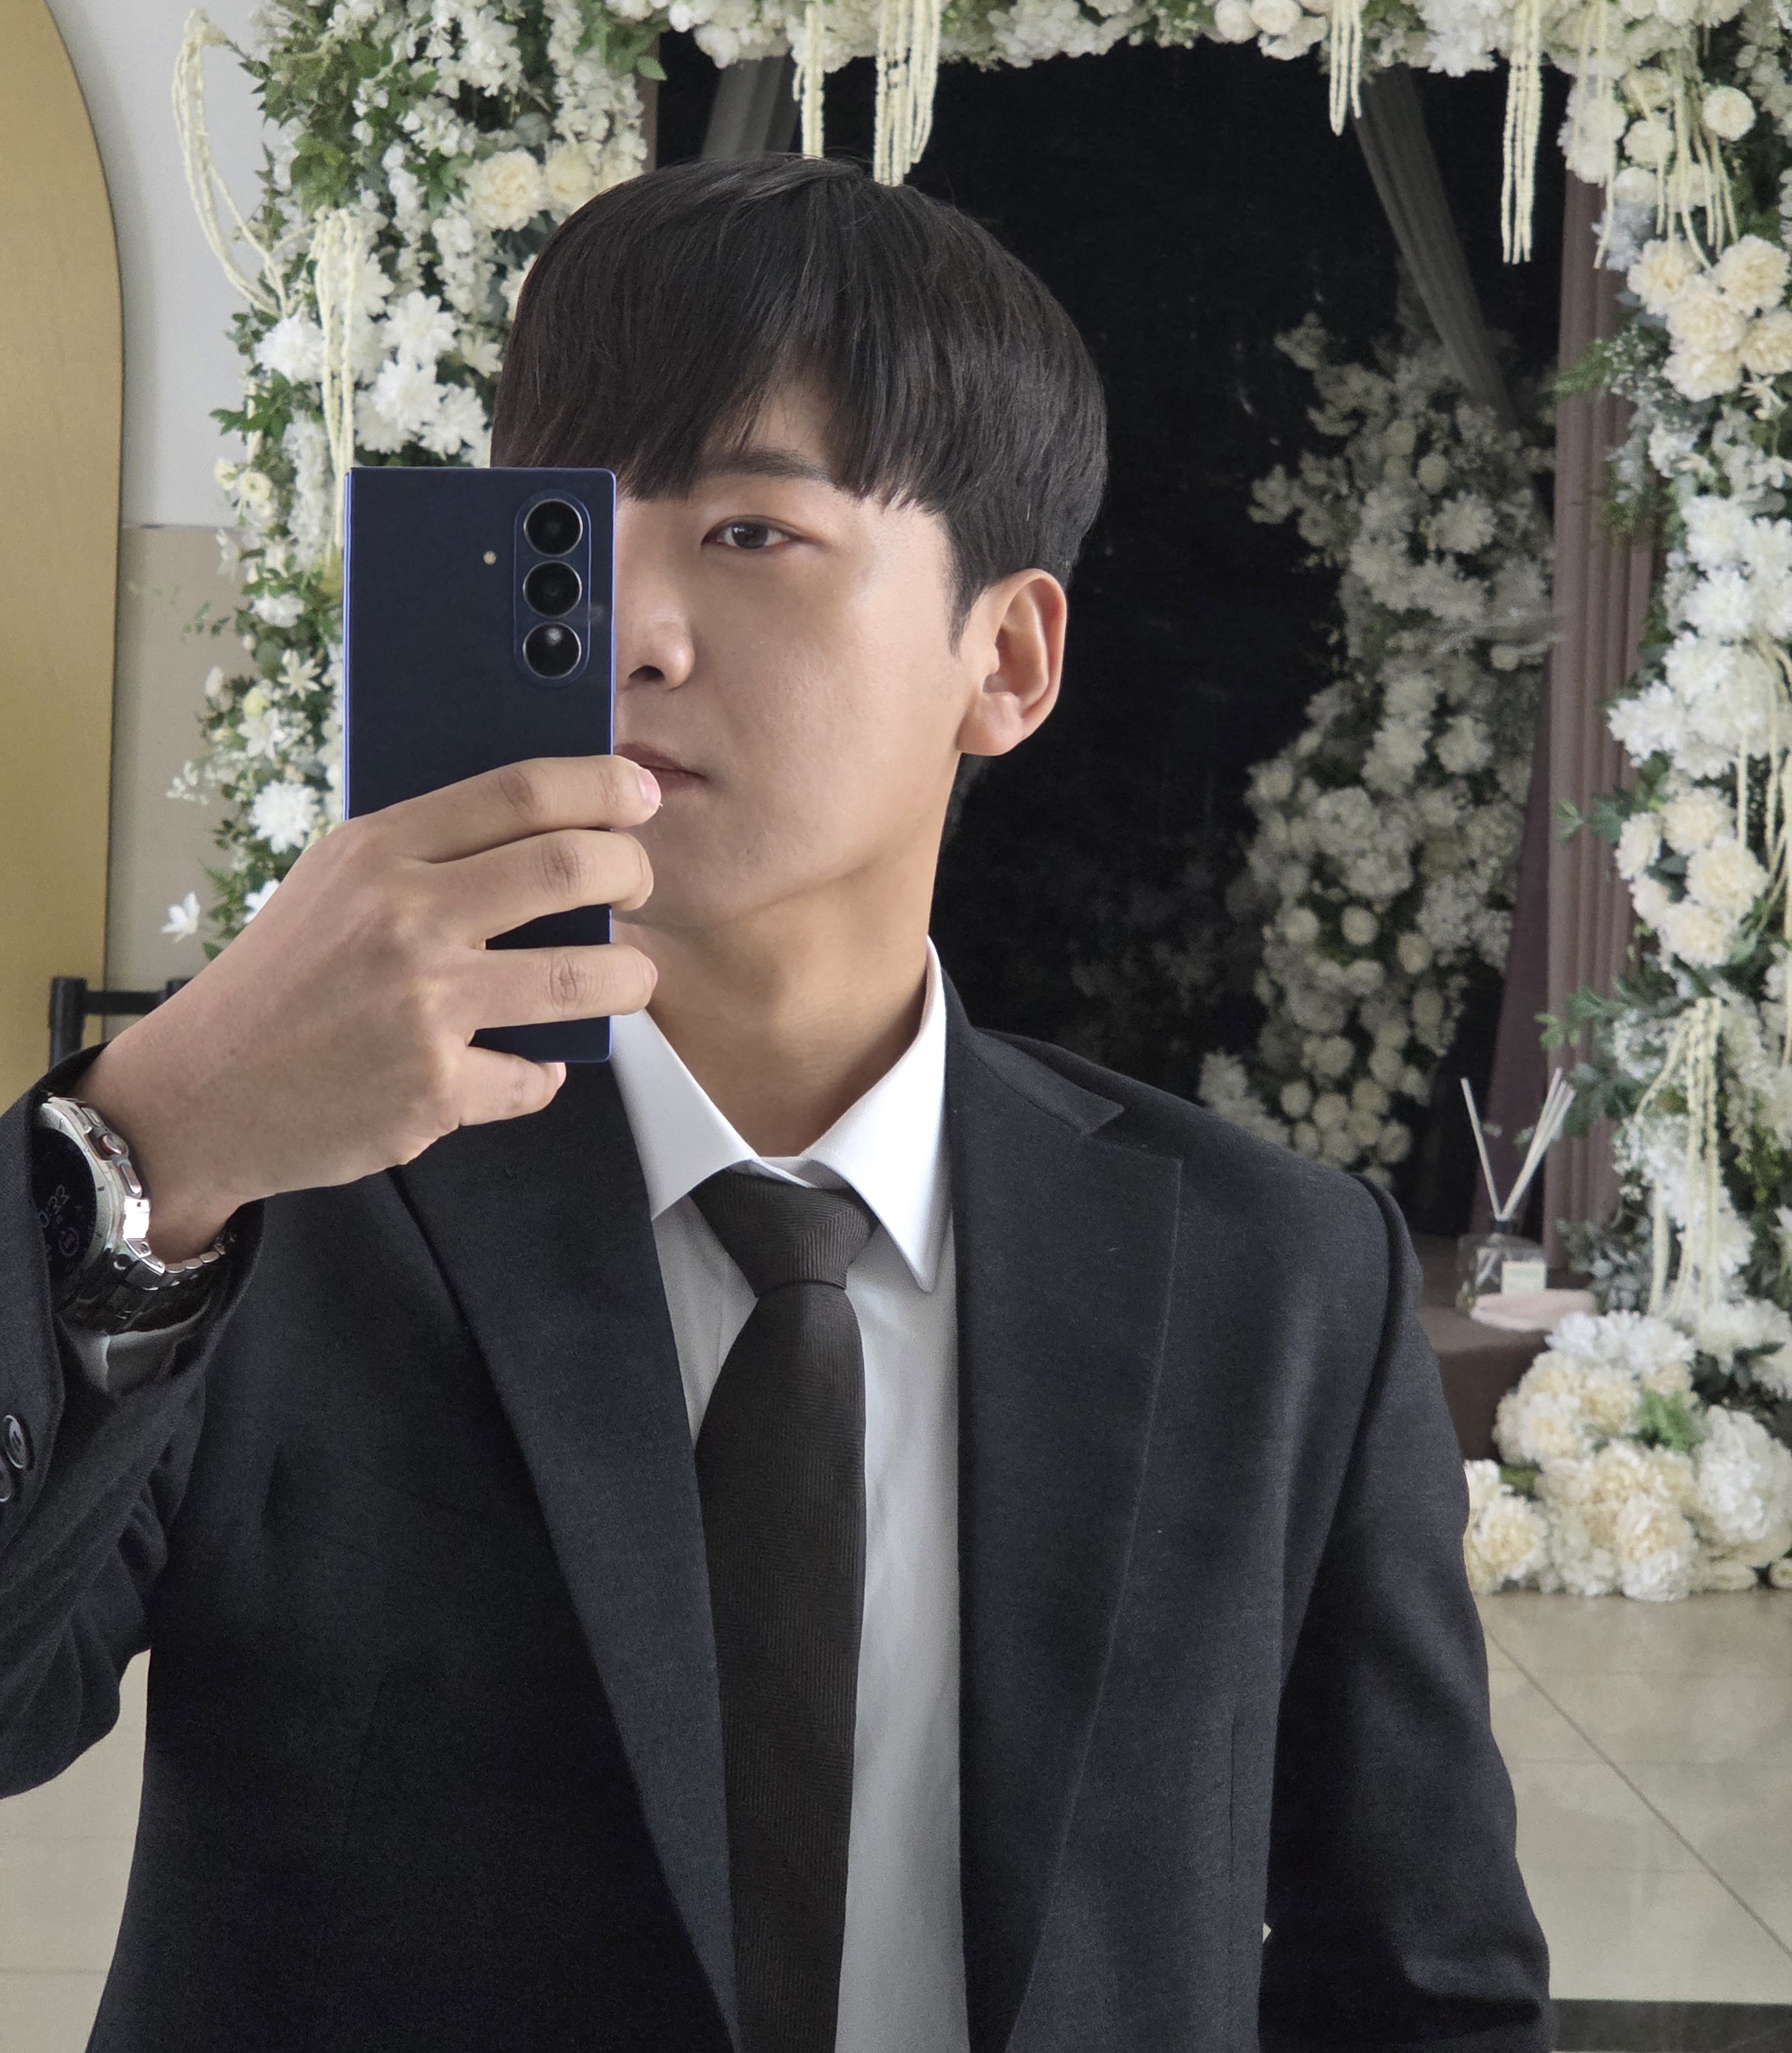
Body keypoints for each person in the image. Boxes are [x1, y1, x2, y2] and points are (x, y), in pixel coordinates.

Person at [0, 155, 1549, 2053]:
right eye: (571, 532)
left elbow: (1421, 1986)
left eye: (751, 531)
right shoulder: (278, 1205)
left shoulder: (1277, 1281)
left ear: (1007, 659)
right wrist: (154, 1132)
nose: (633, 631)